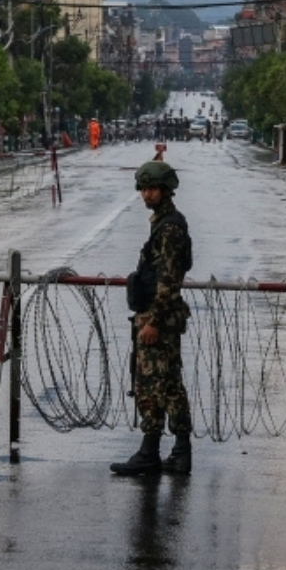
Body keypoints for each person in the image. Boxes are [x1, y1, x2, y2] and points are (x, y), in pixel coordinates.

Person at [111, 159, 194, 477]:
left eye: (153, 188)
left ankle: (151, 451)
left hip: (160, 318)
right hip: (160, 316)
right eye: (144, 188)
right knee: (169, 385)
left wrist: (154, 322)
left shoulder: (170, 227)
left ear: (166, 189)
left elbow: (170, 279)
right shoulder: (164, 222)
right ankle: (178, 453)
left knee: (152, 386)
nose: (147, 194)